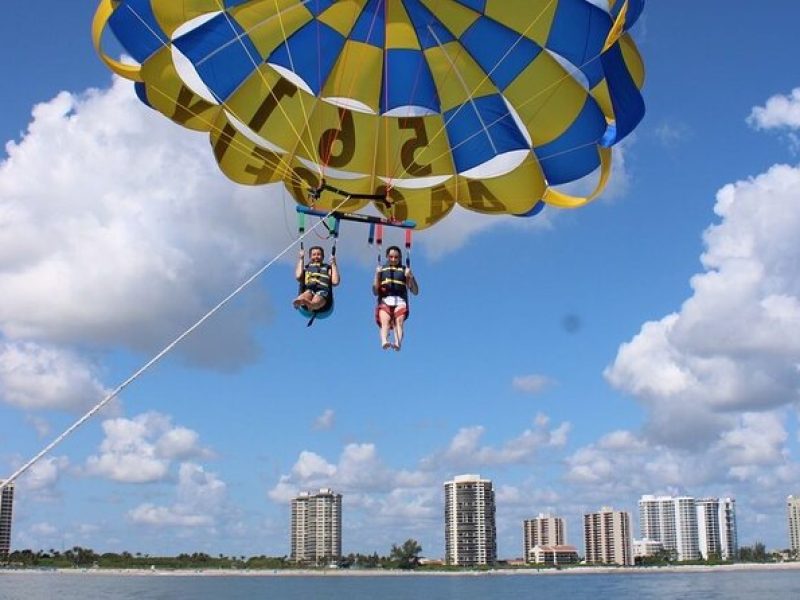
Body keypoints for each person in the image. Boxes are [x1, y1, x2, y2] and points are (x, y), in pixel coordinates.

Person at [373, 246, 418, 351]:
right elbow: (375, 291)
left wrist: (410, 276)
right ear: (387, 257)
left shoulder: (404, 270)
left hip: (400, 301)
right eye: (391, 257)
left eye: (396, 257)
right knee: (385, 321)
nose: (393, 259)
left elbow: (415, 291)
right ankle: (384, 340)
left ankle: (398, 342)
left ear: (400, 257)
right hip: (385, 300)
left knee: (399, 321)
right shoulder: (382, 270)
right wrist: (377, 274)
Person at [293, 246, 339, 312]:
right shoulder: (307, 268)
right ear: (310, 257)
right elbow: (298, 276)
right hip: (309, 290)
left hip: (322, 292)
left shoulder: (327, 268)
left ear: (323, 257)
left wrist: (333, 264)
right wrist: (301, 258)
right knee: (306, 294)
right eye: (314, 255)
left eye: (319, 254)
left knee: (318, 298)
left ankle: (312, 305)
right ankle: (300, 301)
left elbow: (335, 282)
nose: (316, 256)